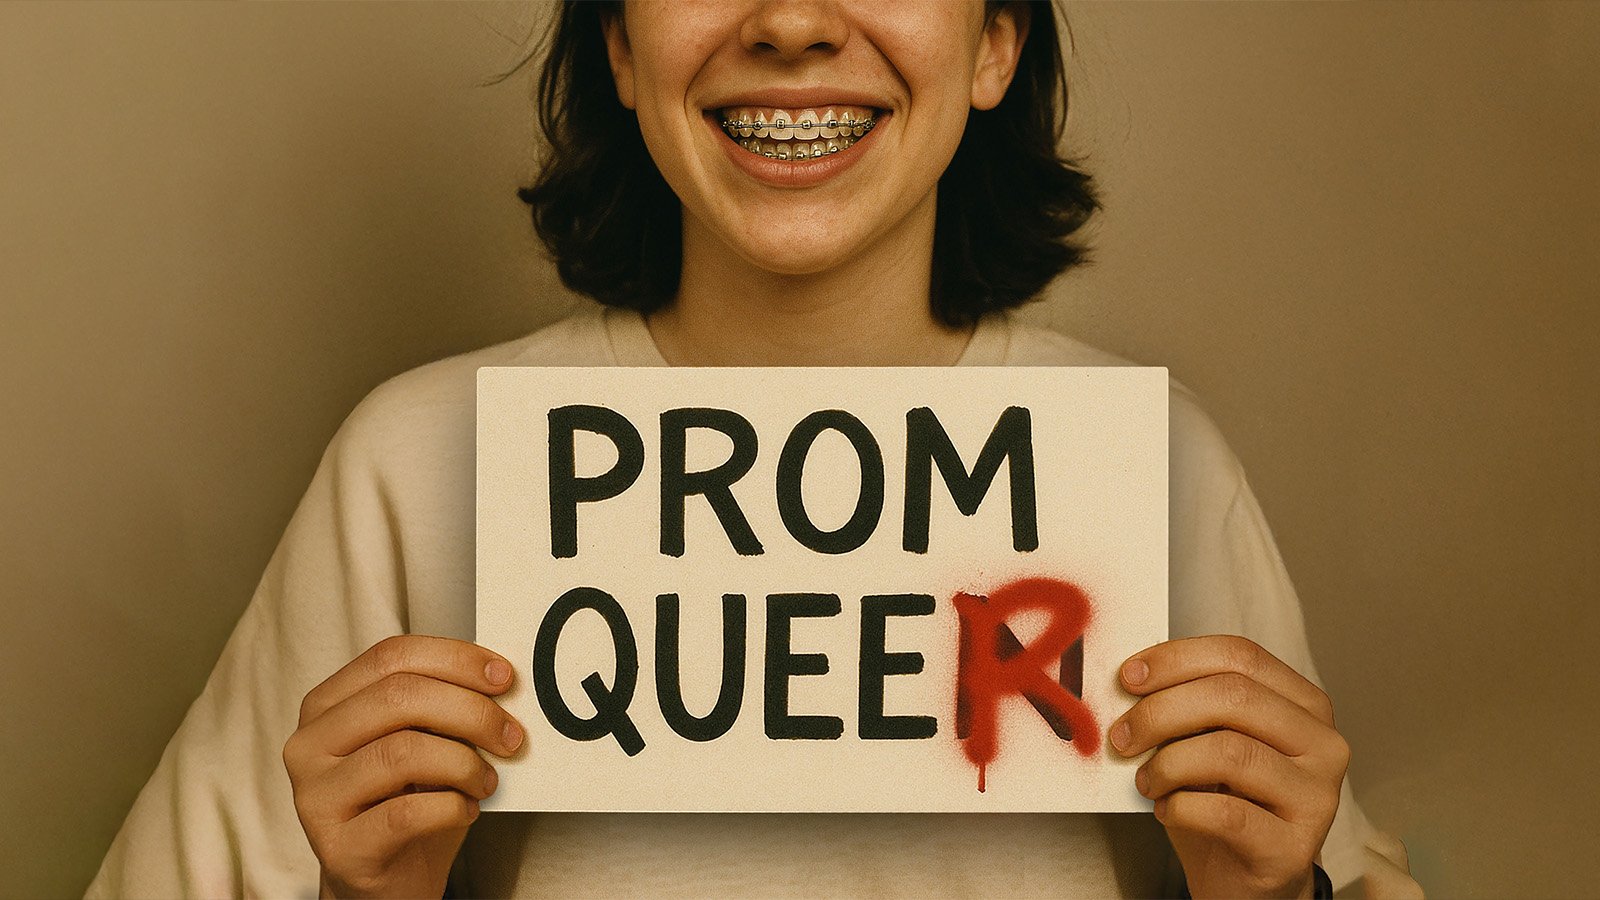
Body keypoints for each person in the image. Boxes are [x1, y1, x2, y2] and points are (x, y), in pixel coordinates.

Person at [88, 2, 1422, 897]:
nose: (788, 21)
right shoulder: (416, 462)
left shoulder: (1158, 473)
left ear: (996, 43)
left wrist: (1273, 894)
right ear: (618, 46)